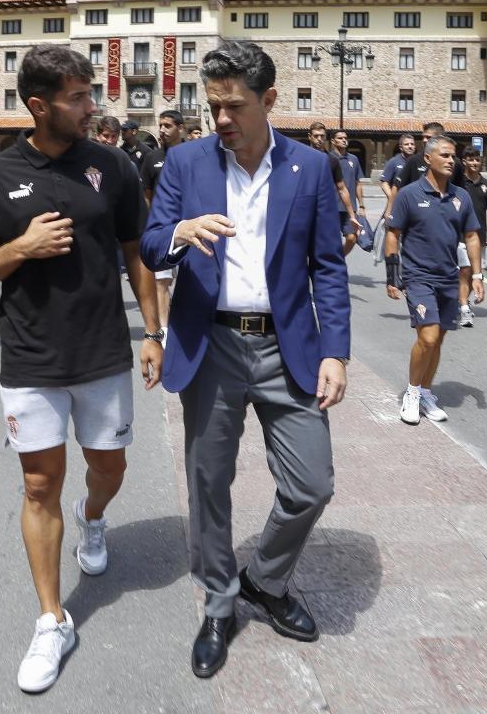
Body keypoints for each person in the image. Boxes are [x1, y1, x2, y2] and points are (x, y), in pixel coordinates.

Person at [140, 40, 349, 679]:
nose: (221, 119)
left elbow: (328, 268)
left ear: (269, 101)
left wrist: (336, 351)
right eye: (213, 107)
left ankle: (265, 578)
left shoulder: (311, 168)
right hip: (213, 346)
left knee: (312, 484)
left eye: (234, 106)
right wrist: (177, 233)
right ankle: (220, 605)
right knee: (209, 484)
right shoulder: (184, 162)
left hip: (288, 348)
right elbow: (150, 247)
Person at [0, 45, 163, 693]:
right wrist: (20, 247)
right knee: (38, 486)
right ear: (40, 105)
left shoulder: (112, 166)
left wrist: (153, 331)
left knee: (110, 468)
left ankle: (94, 517)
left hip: (104, 351)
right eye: (78, 97)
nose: (91, 107)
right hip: (31, 358)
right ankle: (52, 619)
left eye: (89, 95)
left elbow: (136, 254)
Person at [385, 136, 483, 424]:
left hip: (448, 278)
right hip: (418, 277)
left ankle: (426, 391)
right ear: (428, 159)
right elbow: (393, 235)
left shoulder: (461, 197)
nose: (452, 160)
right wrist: (393, 276)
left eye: (454, 156)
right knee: (427, 337)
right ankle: (412, 393)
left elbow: (472, 236)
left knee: (438, 339)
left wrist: (477, 275)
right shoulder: (409, 194)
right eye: (445, 155)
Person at [142, 109, 186, 330]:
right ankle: (166, 331)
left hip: (189, 229)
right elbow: (147, 196)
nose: (162, 130)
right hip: (163, 231)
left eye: (167, 125)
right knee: (161, 282)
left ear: (181, 128)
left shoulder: (193, 156)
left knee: (187, 283)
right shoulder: (152, 158)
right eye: (160, 125)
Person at [455, 145, 487, 327]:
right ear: (464, 161)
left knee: (476, 273)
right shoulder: (457, 183)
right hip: (460, 236)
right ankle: (465, 307)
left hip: (479, 237)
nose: (474, 163)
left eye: (477, 159)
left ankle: (461, 300)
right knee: (465, 270)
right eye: (470, 159)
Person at [307, 122, 358, 253]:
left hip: (327, 209)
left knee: (340, 241)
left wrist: (352, 215)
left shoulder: (331, 160)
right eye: (316, 136)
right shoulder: (302, 158)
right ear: (309, 136)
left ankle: (336, 260)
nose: (319, 139)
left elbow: (342, 188)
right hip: (306, 208)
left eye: (322, 136)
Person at [330, 130, 364, 256]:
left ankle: (339, 258)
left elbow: (358, 183)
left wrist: (361, 205)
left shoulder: (354, 159)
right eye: (340, 138)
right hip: (332, 207)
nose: (344, 140)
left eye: (345, 138)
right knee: (331, 241)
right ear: (333, 141)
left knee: (352, 238)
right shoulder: (328, 158)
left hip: (350, 208)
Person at [379, 133, 418, 220]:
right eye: (406, 144)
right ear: (401, 147)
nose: (410, 146)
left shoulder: (418, 162)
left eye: (412, 144)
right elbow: (384, 182)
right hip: (397, 204)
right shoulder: (394, 162)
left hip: (415, 203)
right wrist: (392, 197)